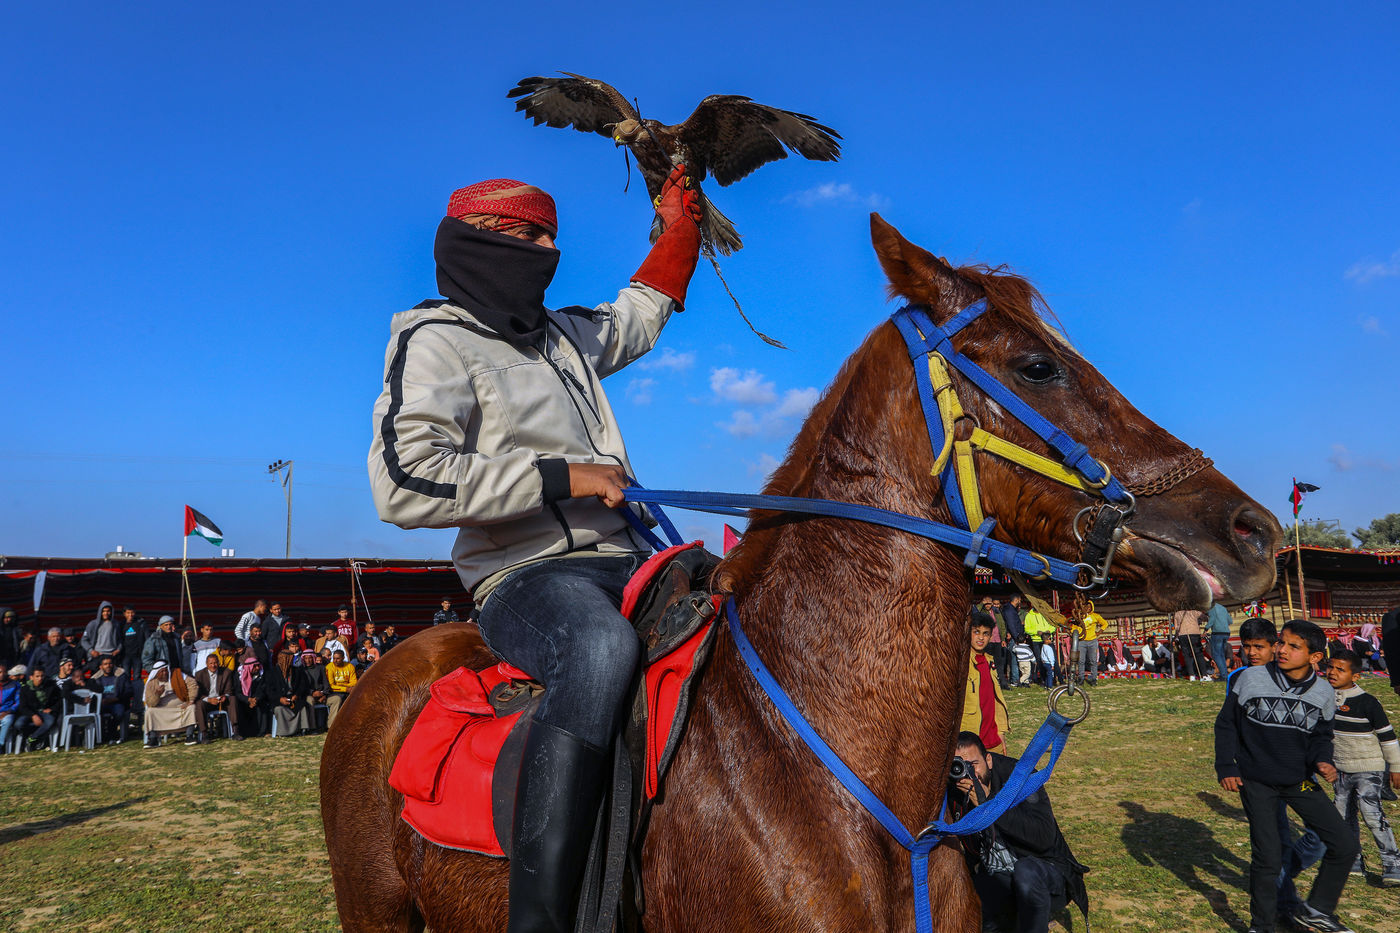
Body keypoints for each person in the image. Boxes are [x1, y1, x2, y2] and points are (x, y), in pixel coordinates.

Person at [367, 166, 702, 932]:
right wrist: (563, 475)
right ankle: (541, 920)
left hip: (631, 558)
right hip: (526, 574)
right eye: (534, 238)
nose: (551, 252)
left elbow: (636, 316)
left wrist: (680, 229)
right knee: (598, 650)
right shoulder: (434, 339)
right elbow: (403, 482)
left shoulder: (563, 336)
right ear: (485, 241)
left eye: (552, 237)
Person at [1215, 619, 1358, 933]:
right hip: (1257, 781)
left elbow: (1321, 736)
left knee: (1344, 843)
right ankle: (1262, 925)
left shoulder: (1324, 691)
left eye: (1293, 646)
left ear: (1315, 657)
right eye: (1281, 642)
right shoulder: (1250, 678)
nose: (1281, 649)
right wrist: (1226, 766)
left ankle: (1317, 910)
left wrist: (1323, 760)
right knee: (1268, 857)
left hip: (1299, 782)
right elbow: (1226, 724)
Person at [952, 731, 1089, 933]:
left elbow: (1043, 838)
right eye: (960, 765)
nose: (969, 773)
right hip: (997, 875)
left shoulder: (1020, 778)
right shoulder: (955, 787)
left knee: (1026, 873)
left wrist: (990, 804)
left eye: (973, 764)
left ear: (988, 760)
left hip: (1043, 872)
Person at [1325, 648, 1400, 885]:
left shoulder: (1368, 702)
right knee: (1343, 815)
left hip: (1369, 766)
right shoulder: (1324, 699)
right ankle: (1354, 861)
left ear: (1355, 676)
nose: (1333, 672)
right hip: (1340, 768)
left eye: (1340, 669)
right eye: (1330, 667)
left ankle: (1393, 864)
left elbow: (1387, 738)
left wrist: (1395, 767)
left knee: (1372, 815)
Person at [962, 614, 1009, 753]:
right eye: (976, 632)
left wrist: (1001, 731)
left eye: (985, 633)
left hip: (993, 738)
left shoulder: (989, 661)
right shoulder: (961, 663)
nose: (981, 638)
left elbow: (996, 699)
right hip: (969, 740)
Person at [195, 653, 242, 741]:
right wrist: (209, 700)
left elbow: (229, 690)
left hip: (221, 701)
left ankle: (235, 731)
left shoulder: (226, 672)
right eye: (211, 663)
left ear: (218, 663)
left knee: (232, 699)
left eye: (215, 663)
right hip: (208, 701)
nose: (213, 665)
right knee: (199, 704)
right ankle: (204, 734)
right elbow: (198, 694)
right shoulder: (199, 675)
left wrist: (225, 696)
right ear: (206, 664)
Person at [90, 655, 133, 744]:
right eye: (105, 664)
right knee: (96, 714)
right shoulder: (95, 679)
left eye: (110, 663)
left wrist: (116, 699)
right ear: (101, 667)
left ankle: (112, 734)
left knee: (119, 713)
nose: (108, 666)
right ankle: (100, 736)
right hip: (101, 703)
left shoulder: (121, 676)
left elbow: (129, 691)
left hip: (117, 702)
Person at [17, 666, 61, 751]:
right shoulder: (25, 688)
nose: (40, 678)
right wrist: (33, 715)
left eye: (42, 676)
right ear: (31, 677)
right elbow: (23, 706)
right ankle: (33, 737)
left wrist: (51, 709)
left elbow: (59, 700)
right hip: (30, 712)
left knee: (50, 722)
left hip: (45, 712)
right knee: (19, 724)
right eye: (37, 676)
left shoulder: (51, 686)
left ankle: (33, 738)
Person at [1070, 601, 1105, 687]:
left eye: (1089, 607)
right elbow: (1074, 627)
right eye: (1086, 606)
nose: (1088, 608)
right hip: (1081, 641)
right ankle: (1081, 679)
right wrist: (1074, 633)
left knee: (1093, 661)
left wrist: (1099, 632)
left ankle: (1093, 679)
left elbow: (1105, 623)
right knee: (1081, 661)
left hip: (1092, 641)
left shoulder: (1095, 616)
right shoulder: (1079, 616)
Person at [80, 600, 123, 668]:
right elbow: (84, 640)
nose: (106, 613)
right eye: (104, 611)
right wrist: (91, 651)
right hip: (97, 655)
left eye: (108, 611)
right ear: (100, 611)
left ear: (111, 612)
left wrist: (118, 650)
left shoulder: (116, 624)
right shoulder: (93, 624)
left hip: (111, 655)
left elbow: (120, 639)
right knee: (96, 674)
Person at [1173, 608, 1208, 681]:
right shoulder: (1195, 612)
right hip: (1194, 634)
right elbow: (1206, 618)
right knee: (1199, 654)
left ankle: (1191, 675)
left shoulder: (1177, 613)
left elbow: (1176, 628)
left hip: (1182, 635)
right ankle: (1204, 675)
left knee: (1187, 655)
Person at [325, 648, 357, 726]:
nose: (335, 661)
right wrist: (346, 688)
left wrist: (342, 685)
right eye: (334, 658)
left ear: (343, 658)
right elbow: (331, 685)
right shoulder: (329, 667)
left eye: (338, 659)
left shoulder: (350, 666)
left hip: (347, 690)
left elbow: (354, 682)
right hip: (334, 692)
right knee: (339, 698)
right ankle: (333, 725)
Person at [1207, 601, 1233, 682]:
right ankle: (1224, 675)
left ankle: (1223, 676)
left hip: (1217, 633)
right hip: (1226, 633)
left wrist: (1206, 628)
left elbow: (1212, 619)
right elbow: (1230, 621)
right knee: (1221, 655)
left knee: (1216, 655)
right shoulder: (1223, 608)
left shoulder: (1212, 608)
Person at [0, 665, 23, 751]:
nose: (1, 674)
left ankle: (0, 744)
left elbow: (18, 702)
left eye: (2, 672)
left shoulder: (15, 685)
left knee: (7, 720)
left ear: (6, 673)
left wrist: (8, 711)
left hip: (8, 712)